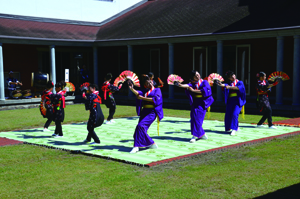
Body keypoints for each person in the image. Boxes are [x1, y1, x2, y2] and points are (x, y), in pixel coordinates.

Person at [175, 70, 214, 143]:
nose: (197, 76)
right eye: (195, 75)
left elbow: (205, 91)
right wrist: (180, 85)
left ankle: (194, 136)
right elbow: (187, 85)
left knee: (198, 119)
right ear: (193, 78)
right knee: (193, 118)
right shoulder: (192, 83)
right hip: (195, 103)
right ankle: (202, 134)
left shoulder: (204, 82)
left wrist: (193, 91)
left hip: (202, 103)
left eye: (198, 74)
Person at [128, 76, 163, 153]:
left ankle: (136, 146)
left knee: (140, 126)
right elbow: (138, 93)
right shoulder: (145, 91)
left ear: (152, 82)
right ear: (145, 85)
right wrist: (131, 88)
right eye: (147, 83)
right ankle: (151, 143)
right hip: (145, 111)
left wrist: (143, 98)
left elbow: (155, 100)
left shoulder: (157, 90)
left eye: (150, 81)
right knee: (140, 128)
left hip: (152, 112)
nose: (149, 83)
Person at [216, 70, 246, 136]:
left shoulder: (239, 82)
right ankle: (233, 127)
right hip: (230, 101)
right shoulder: (229, 83)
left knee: (235, 114)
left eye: (233, 75)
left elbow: (240, 88)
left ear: (235, 75)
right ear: (229, 78)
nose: (232, 77)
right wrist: (221, 84)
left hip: (238, 101)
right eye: (230, 77)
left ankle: (234, 129)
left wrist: (230, 87)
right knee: (228, 114)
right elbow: (225, 85)